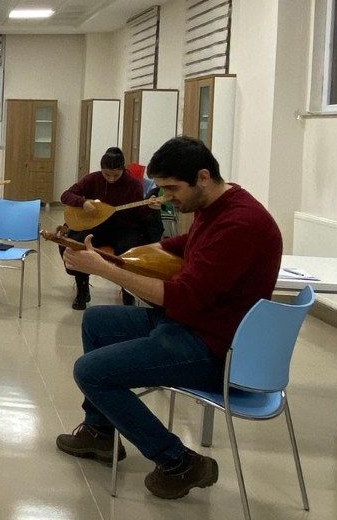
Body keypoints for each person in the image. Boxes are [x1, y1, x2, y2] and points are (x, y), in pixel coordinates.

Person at [55, 136, 282, 501]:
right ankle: (100, 432)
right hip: (193, 325)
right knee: (96, 321)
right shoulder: (217, 204)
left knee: (90, 372)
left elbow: (183, 299)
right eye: (161, 188)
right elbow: (184, 245)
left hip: (214, 348)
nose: (166, 197)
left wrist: (106, 270)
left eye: (172, 188)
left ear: (203, 177)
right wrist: (116, 258)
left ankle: (178, 461)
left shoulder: (240, 224)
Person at [59, 147, 162, 310]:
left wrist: (150, 208)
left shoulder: (133, 184)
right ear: (101, 170)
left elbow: (138, 214)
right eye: (107, 175)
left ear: (123, 170)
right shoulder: (92, 179)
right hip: (96, 227)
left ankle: (128, 292)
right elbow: (66, 195)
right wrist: (83, 203)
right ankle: (82, 290)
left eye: (116, 175)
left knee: (129, 250)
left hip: (124, 228)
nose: (111, 179)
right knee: (77, 244)